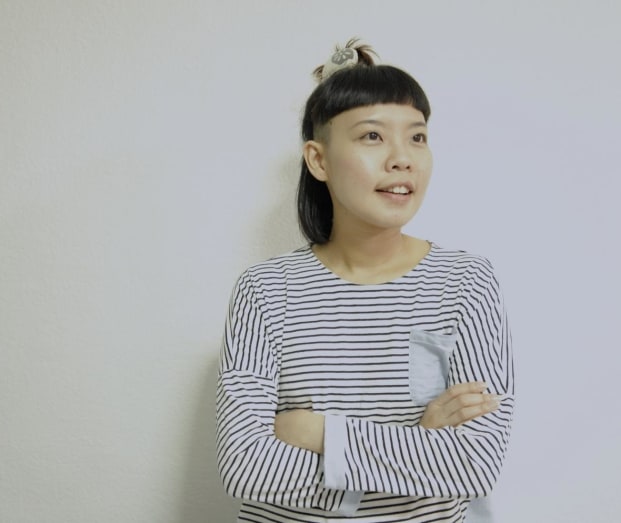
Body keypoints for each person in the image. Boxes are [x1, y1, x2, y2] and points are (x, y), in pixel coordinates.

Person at [216, 39, 514, 523]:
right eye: (372, 136)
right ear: (318, 160)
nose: (403, 158)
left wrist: (314, 432)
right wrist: (420, 443)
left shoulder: (466, 283)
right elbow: (246, 470)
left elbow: (474, 467)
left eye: (417, 137)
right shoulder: (265, 290)